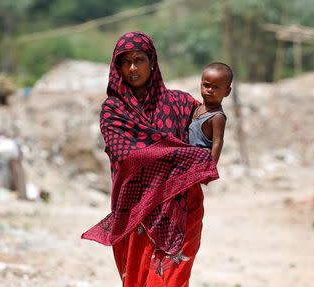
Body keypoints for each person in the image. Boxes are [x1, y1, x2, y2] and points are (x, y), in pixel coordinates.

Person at [81, 31, 220, 286]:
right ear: (117, 67)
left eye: (139, 60)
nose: (132, 68)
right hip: (137, 212)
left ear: (152, 61)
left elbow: (205, 134)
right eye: (125, 62)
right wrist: (187, 157)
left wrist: (216, 117)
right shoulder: (114, 110)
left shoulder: (180, 103)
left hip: (182, 209)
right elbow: (126, 155)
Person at [189, 62, 232, 164]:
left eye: (216, 87)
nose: (209, 90)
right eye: (206, 85)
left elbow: (218, 142)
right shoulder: (197, 108)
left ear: (227, 92)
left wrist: (210, 168)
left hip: (200, 161)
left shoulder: (217, 116)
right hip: (189, 158)